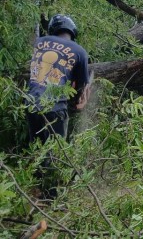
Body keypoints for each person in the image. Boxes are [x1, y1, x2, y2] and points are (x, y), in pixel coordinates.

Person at [26, 14, 90, 197]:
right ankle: (52, 197)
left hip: (31, 102)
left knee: (37, 146)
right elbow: (81, 86)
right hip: (55, 106)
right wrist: (78, 102)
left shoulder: (39, 42)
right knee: (55, 151)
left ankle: (35, 187)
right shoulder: (80, 52)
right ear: (72, 31)